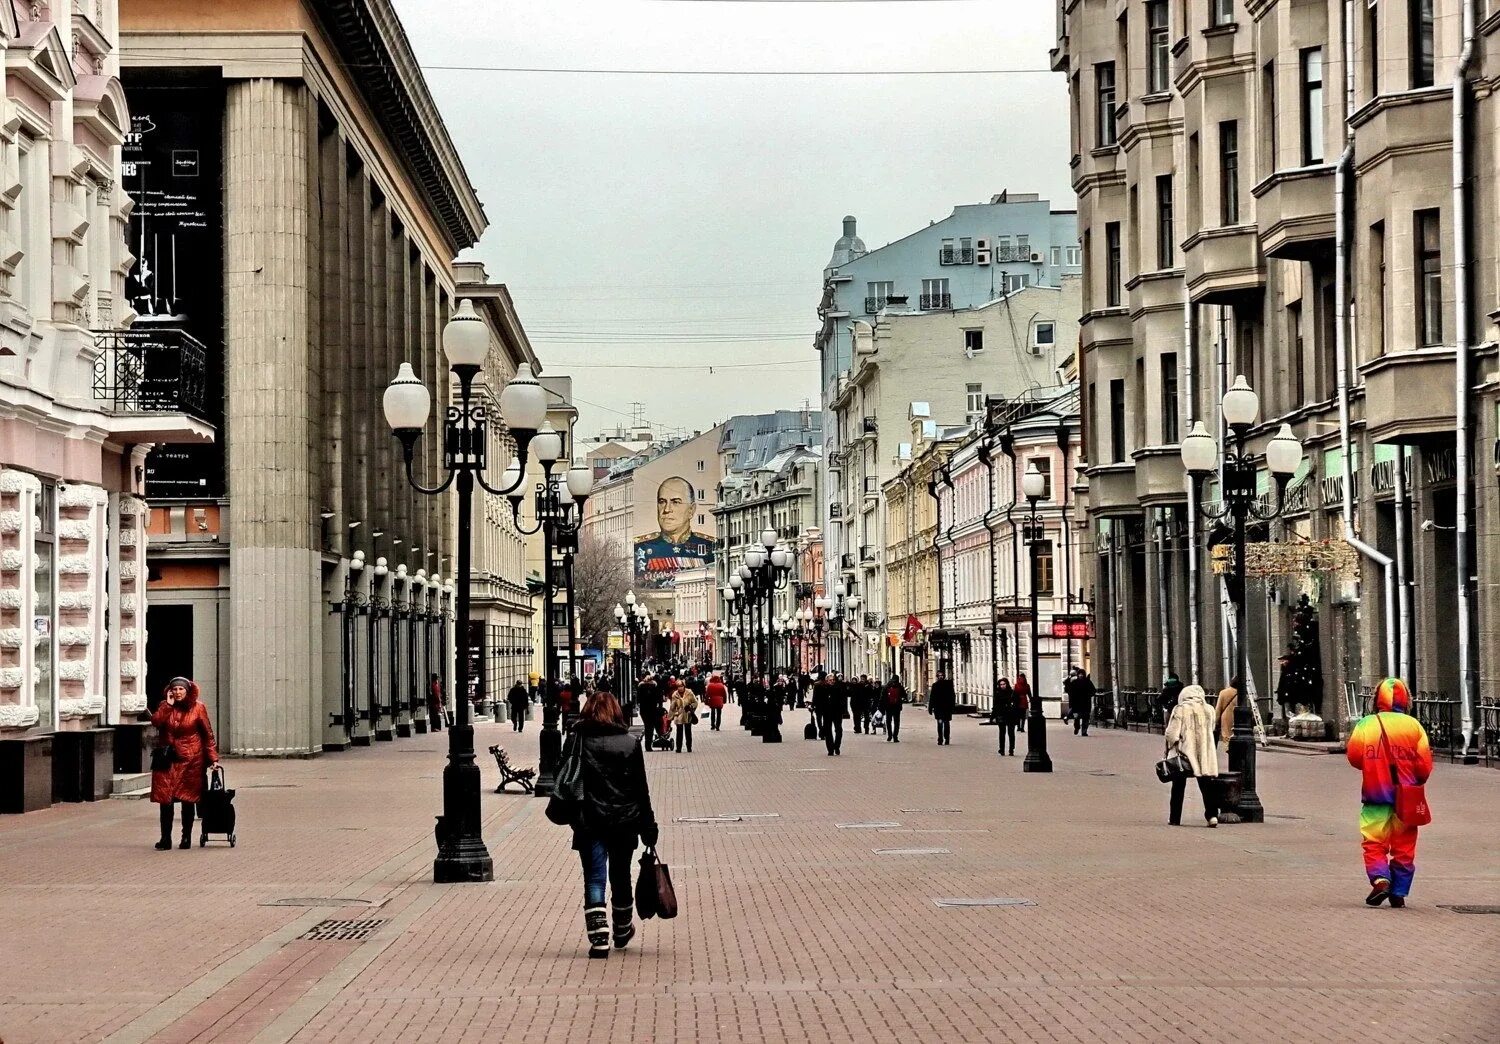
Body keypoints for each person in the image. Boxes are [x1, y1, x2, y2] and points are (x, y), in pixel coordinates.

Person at [562, 691, 660, 958]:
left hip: (588, 820)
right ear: (617, 711)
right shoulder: (630, 742)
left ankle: (598, 939)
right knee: (620, 875)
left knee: (594, 877)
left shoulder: (577, 739)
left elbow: (567, 775)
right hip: (624, 820)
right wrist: (647, 822)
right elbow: (641, 787)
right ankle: (621, 929)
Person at [1347, 678, 1433, 908]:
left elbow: (1354, 757)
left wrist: (1373, 767)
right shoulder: (1414, 727)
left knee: (1374, 840)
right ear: (1407, 700)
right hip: (1406, 797)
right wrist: (1415, 781)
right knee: (1404, 846)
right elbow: (1424, 766)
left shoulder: (1366, 724)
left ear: (1377, 699)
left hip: (1375, 795)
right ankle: (1399, 891)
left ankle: (1380, 879)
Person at [150, 677, 219, 850]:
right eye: (175, 689)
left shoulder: (198, 708)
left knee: (187, 798)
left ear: (187, 691)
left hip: (191, 760)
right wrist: (167, 706)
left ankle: (186, 838)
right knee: (165, 799)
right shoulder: (165, 706)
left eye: (181, 689)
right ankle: (165, 838)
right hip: (167, 759)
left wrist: (213, 759)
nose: (178, 692)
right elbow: (156, 722)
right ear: (170, 691)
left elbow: (207, 735)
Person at [1162, 684, 1220, 827]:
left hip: (1185, 753)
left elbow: (1171, 734)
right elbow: (1212, 728)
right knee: (1206, 785)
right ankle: (1212, 816)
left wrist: (1170, 747)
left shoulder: (1180, 709)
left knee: (1178, 786)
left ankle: (1175, 818)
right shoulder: (1209, 710)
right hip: (1204, 754)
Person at [814, 672, 847, 755]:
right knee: (828, 731)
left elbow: (843, 699)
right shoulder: (822, 688)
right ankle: (830, 749)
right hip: (827, 712)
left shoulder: (838, 688)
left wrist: (844, 710)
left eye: (833, 680)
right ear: (826, 681)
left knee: (838, 730)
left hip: (837, 712)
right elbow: (817, 699)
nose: (831, 681)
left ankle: (837, 746)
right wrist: (814, 707)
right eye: (830, 680)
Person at [669, 679, 699, 753]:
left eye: (681, 686)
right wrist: (670, 717)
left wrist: (690, 707)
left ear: (684, 686)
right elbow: (672, 707)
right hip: (679, 715)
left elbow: (695, 702)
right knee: (679, 732)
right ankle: (678, 748)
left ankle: (689, 747)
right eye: (678, 686)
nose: (680, 688)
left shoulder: (689, 693)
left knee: (688, 732)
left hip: (687, 714)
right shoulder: (675, 695)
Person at [993, 677, 1019, 756]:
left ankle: (1011, 749)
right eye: (1001, 684)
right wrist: (994, 716)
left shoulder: (1012, 692)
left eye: (1004, 684)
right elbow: (995, 706)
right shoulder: (997, 693)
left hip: (1011, 715)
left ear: (1007, 684)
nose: (1002, 686)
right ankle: (1002, 749)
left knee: (1011, 733)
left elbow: (1016, 704)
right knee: (1002, 733)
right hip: (1001, 715)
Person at [928, 671, 956, 745]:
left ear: (944, 676)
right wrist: (930, 707)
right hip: (939, 708)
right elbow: (932, 697)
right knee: (940, 723)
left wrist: (953, 706)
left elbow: (952, 696)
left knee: (945, 723)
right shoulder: (936, 685)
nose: (941, 677)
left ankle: (946, 738)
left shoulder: (948, 685)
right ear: (937, 677)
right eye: (939, 675)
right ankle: (940, 738)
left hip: (945, 708)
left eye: (942, 675)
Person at [1215, 676, 1241, 751]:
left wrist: (1215, 721)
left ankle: (1229, 750)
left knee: (1227, 735)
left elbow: (1218, 708)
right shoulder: (1242, 693)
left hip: (1226, 716)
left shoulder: (1223, 692)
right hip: (1238, 716)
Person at [1068, 668, 1096, 736]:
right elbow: (1070, 694)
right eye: (1079, 674)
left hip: (1086, 703)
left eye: (1082, 674)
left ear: (1084, 674)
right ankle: (1077, 727)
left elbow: (1093, 691)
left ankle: (1084, 732)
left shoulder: (1088, 682)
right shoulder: (1074, 683)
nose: (1081, 675)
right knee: (1076, 718)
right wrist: (1071, 705)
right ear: (1078, 675)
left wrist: (1089, 695)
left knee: (1085, 718)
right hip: (1076, 704)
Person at [883, 674, 905, 742]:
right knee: (896, 722)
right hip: (897, 707)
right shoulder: (899, 686)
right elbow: (904, 695)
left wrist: (882, 706)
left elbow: (883, 696)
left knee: (888, 721)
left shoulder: (887, 686)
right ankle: (895, 737)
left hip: (888, 707)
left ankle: (889, 736)